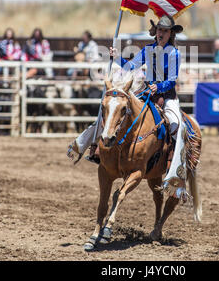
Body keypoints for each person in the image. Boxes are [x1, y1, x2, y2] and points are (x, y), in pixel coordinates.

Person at [72, 15, 188, 199]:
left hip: (166, 95)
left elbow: (172, 79)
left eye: (165, 31)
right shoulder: (148, 49)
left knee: (174, 124)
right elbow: (131, 66)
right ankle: (91, 147)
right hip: (146, 92)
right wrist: (116, 58)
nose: (161, 33)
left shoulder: (174, 53)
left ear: (170, 34)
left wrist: (159, 86)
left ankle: (173, 167)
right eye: (159, 30)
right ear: (155, 32)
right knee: (117, 112)